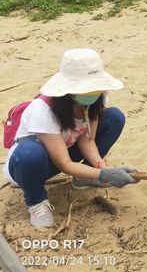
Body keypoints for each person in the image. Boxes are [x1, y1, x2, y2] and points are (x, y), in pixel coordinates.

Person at [3, 48, 139, 228]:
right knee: (30, 153)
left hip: (65, 152)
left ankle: (85, 177)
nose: (92, 92)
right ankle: (36, 201)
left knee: (114, 117)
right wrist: (105, 174)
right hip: (31, 167)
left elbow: (87, 140)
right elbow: (64, 164)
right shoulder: (42, 110)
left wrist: (102, 168)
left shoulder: (95, 99)